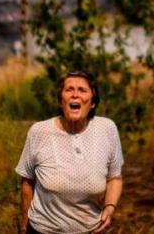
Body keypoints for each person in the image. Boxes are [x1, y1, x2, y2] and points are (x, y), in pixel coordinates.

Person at [16, 71, 123, 234]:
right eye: (69, 90)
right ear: (61, 101)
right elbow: (27, 181)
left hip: (91, 230)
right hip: (42, 230)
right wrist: (24, 226)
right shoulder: (39, 131)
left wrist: (110, 206)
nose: (75, 95)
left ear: (92, 102)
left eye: (82, 90)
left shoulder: (107, 129)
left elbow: (115, 178)